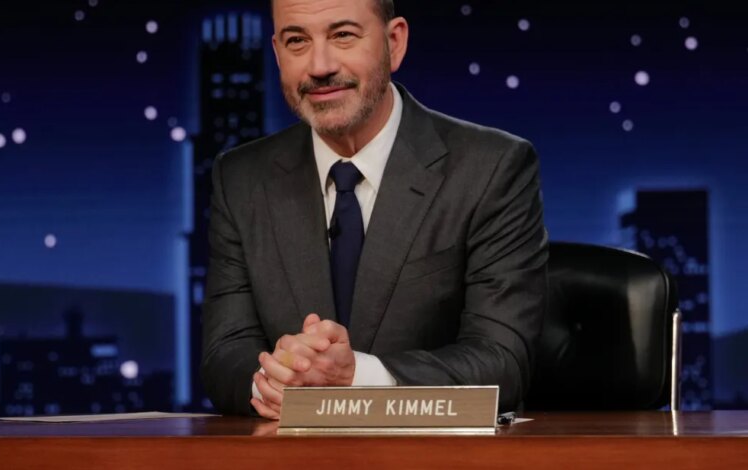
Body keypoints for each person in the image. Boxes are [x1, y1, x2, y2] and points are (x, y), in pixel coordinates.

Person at [201, 0, 548, 419]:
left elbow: (503, 361)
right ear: (277, 53)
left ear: (394, 43)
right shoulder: (240, 178)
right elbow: (225, 355)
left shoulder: (491, 168)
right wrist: (274, 381)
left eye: (343, 35)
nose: (320, 66)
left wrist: (357, 380)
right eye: (297, 41)